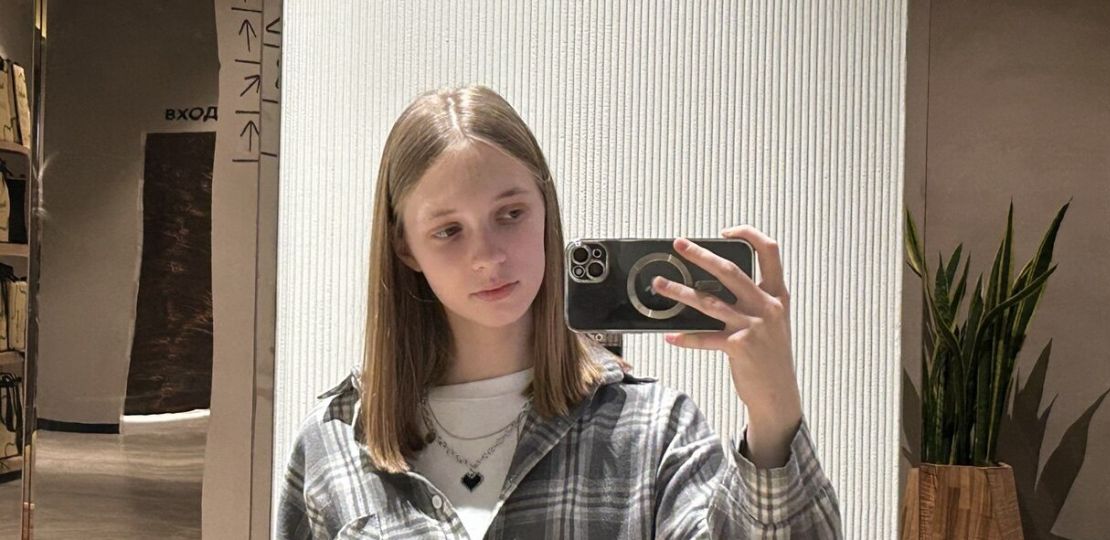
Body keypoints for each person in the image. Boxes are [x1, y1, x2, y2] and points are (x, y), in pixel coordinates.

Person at [276, 85, 841, 539]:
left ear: (546, 210)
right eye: (448, 230)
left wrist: (774, 410)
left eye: (511, 214)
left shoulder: (652, 432)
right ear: (405, 247)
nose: (488, 257)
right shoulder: (336, 442)